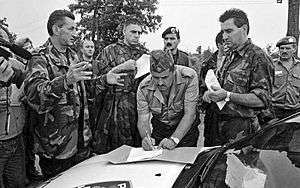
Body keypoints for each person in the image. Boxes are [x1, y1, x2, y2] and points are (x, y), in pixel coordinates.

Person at [24, 9, 124, 179]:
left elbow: (84, 89)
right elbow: (34, 96)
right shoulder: (39, 58)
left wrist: (105, 79)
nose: (76, 34)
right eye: (71, 29)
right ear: (56, 29)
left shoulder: (73, 56)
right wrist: (65, 81)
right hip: (57, 149)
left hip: (81, 142)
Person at [202, 8, 274, 146]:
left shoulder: (258, 57)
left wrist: (228, 95)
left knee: (241, 167)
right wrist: (211, 93)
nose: (224, 36)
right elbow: (224, 87)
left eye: (229, 31)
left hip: (242, 132)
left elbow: (262, 100)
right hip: (218, 127)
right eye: (223, 31)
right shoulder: (230, 55)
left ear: (244, 29)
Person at [93, 18, 148, 154]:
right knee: (114, 152)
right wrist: (120, 68)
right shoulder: (109, 51)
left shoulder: (142, 54)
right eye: (133, 32)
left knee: (134, 152)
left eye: (139, 33)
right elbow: (95, 81)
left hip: (136, 110)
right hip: (113, 111)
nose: (137, 35)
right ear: (124, 31)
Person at [137, 50, 199, 150]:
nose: (160, 82)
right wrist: (146, 137)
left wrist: (174, 140)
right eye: (156, 77)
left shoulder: (188, 77)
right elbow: (143, 119)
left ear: (173, 71)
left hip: (185, 128)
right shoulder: (144, 87)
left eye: (165, 77)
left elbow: (190, 114)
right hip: (160, 129)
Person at [0, 25, 27, 187]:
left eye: (3, 40)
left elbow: (30, 86)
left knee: (17, 183)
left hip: (17, 139)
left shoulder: (15, 64)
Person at [272, 36, 300, 119]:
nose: (284, 51)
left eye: (287, 48)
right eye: (282, 48)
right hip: (274, 111)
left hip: (294, 111)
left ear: (294, 50)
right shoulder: (271, 65)